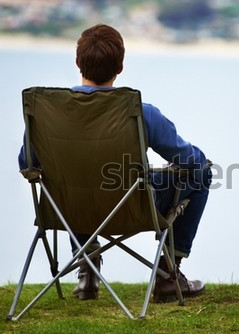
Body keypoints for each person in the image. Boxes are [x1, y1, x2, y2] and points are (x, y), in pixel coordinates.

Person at [18, 23, 211, 302]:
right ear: (120, 67)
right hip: (130, 206)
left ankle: (86, 269)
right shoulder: (139, 113)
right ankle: (169, 275)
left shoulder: (44, 113)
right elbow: (190, 162)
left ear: (77, 63)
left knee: (75, 180)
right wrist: (188, 166)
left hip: (67, 210)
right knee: (201, 174)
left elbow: (27, 163)